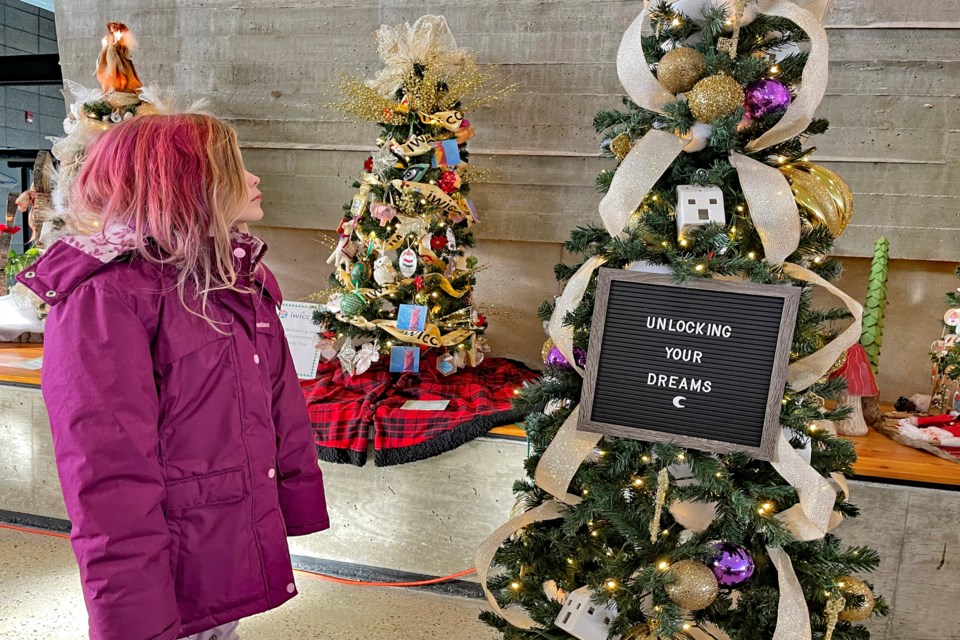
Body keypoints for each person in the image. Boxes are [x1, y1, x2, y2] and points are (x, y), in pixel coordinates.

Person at [17, 113, 329, 640]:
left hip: (225, 537)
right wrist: (133, 618)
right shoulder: (105, 296)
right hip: (168, 554)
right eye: (236, 167)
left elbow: (275, 411)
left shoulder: (232, 279)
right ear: (186, 179)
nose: (255, 180)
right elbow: (108, 476)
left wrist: (292, 501)